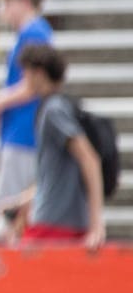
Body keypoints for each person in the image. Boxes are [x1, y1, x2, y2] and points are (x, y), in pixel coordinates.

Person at [0, 0, 54, 246]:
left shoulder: (33, 33)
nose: (4, 10)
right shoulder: (34, 32)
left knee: (9, 207)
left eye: (7, 3)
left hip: (23, 131)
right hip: (21, 128)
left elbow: (32, 84)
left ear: (23, 2)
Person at [15, 45, 104, 252]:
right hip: (63, 220)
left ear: (38, 73)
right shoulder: (61, 105)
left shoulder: (53, 110)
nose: (23, 79)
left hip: (54, 223)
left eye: (26, 72)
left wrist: (97, 224)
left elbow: (89, 158)